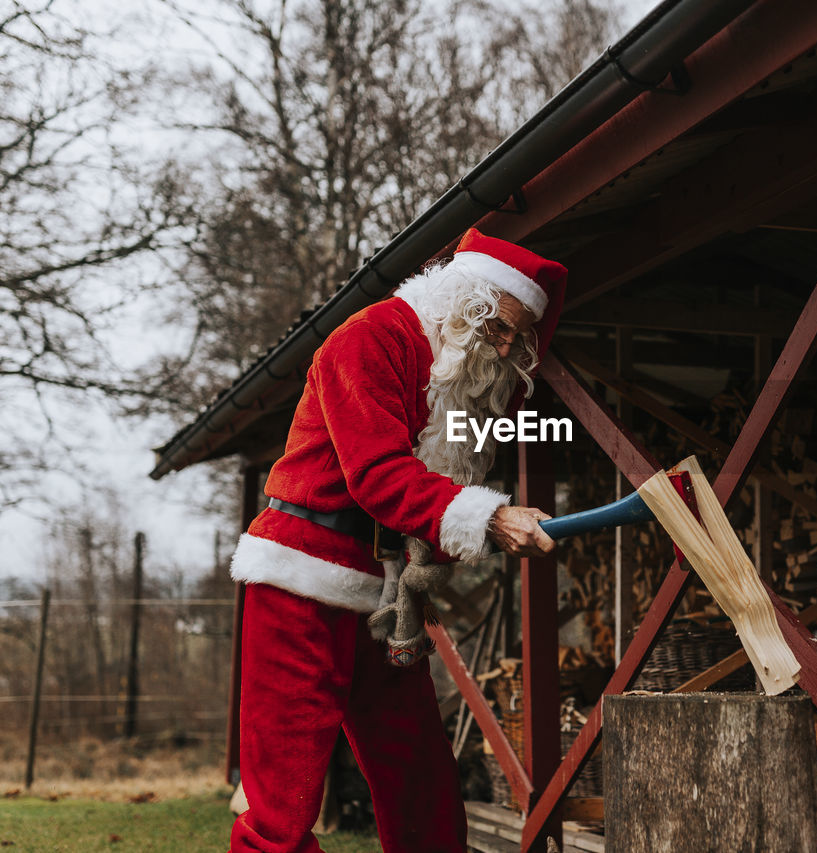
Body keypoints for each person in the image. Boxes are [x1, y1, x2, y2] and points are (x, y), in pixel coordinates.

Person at [226, 229, 566, 852]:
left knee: (423, 788)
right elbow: (378, 475)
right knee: (283, 805)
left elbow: (500, 445)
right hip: (299, 579)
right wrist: (490, 520)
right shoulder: (369, 339)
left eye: (520, 338)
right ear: (466, 300)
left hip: (384, 599)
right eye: (499, 327)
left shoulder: (459, 383)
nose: (507, 346)